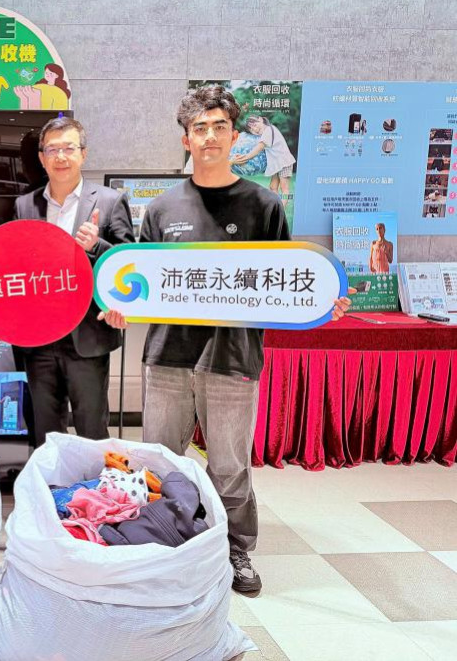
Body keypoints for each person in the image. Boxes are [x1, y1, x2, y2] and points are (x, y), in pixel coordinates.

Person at [139, 85, 352, 595]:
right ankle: (159, 541)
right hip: (167, 357)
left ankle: (235, 548)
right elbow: (140, 280)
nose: (210, 137)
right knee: (159, 460)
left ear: (234, 136)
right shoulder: (161, 209)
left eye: (220, 127)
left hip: (233, 358)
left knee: (230, 466)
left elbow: (286, 282)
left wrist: (320, 301)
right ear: (186, 139)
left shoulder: (264, 205)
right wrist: (118, 304)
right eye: (199, 128)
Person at [13, 116, 134, 447]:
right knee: (45, 435)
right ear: (41, 157)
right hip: (40, 339)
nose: (61, 157)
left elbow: (128, 262)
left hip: (88, 335)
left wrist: (96, 245)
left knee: (91, 431)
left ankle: (93, 483)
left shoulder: (109, 201)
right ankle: (51, 482)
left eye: (68, 148)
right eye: (52, 150)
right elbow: (16, 263)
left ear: (83, 153)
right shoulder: (25, 204)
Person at [233, 115, 296, 206]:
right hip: (277, 164)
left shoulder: (269, 131)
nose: (254, 129)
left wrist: (244, 158)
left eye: (254, 125)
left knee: (284, 189)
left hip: (284, 162)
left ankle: (281, 209)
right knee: (273, 187)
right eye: (251, 130)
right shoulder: (267, 131)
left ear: (261, 119)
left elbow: (258, 149)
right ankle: (275, 206)